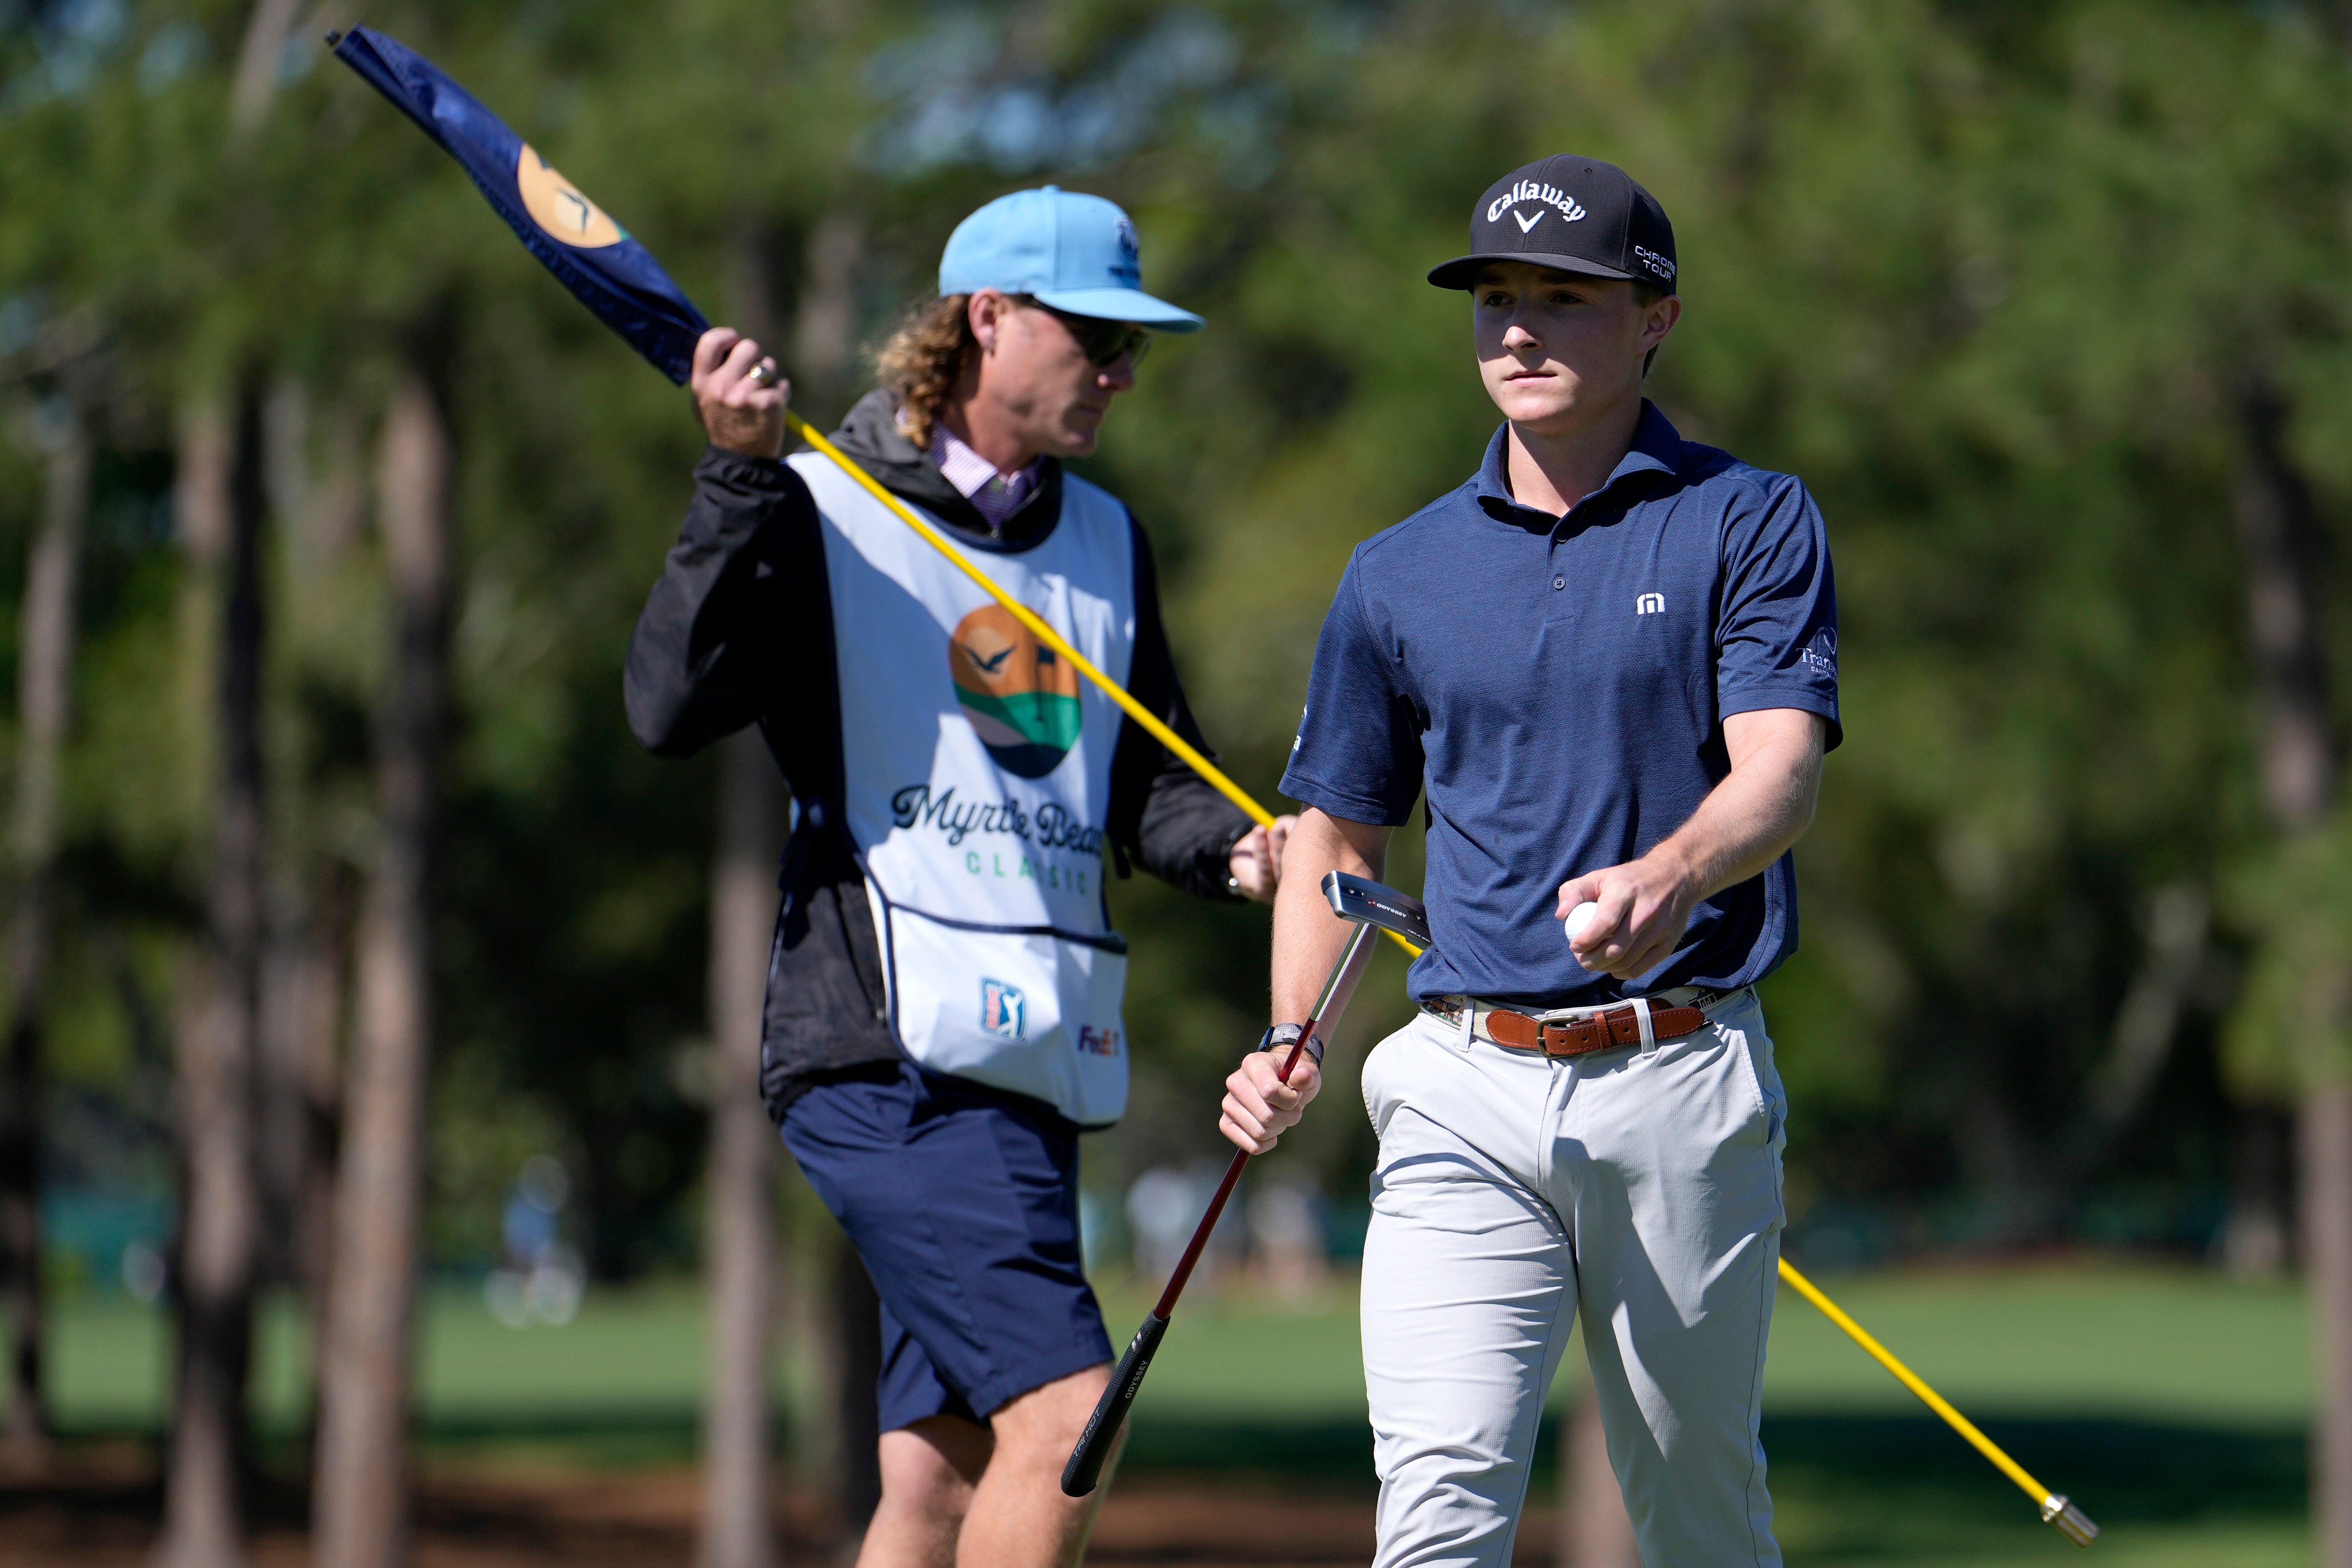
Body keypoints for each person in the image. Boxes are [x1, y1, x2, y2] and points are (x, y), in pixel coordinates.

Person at [625, 186, 1301, 1568]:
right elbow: (666, 705)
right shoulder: (817, 499)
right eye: (1097, 338)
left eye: (1136, 348)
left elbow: (1141, 785)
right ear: (985, 320)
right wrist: (737, 477)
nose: (1122, 373)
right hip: (886, 1056)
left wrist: (1241, 853)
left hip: (1035, 1059)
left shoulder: (1109, 540)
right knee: (1065, 1425)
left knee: (939, 1480)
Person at [1220, 155, 1839, 1568]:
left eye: (1564, 300)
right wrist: (1288, 1033)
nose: (1518, 330)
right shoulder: (1397, 570)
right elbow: (1337, 826)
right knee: (1434, 1511)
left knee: (1697, 1515)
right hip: (1462, 1082)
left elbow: (1781, 771)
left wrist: (1672, 872)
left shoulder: (1749, 517)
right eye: (1497, 299)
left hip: (1680, 1072)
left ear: (1656, 317)